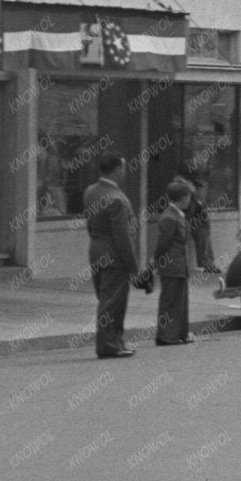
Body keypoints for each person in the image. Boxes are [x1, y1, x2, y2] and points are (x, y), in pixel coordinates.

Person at [84, 152, 149, 359]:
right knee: (114, 302)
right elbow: (123, 237)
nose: (125, 171)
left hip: (96, 249)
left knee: (104, 299)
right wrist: (133, 267)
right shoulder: (117, 200)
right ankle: (110, 344)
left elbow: (90, 223)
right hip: (114, 255)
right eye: (123, 167)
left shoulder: (90, 192)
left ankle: (114, 342)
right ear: (116, 170)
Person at [151, 177, 209, 346]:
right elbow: (163, 244)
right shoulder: (170, 217)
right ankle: (167, 335)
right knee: (171, 302)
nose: (190, 201)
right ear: (183, 198)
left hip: (179, 266)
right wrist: (155, 263)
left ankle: (179, 334)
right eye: (189, 197)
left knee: (180, 302)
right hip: (171, 265)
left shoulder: (177, 214)